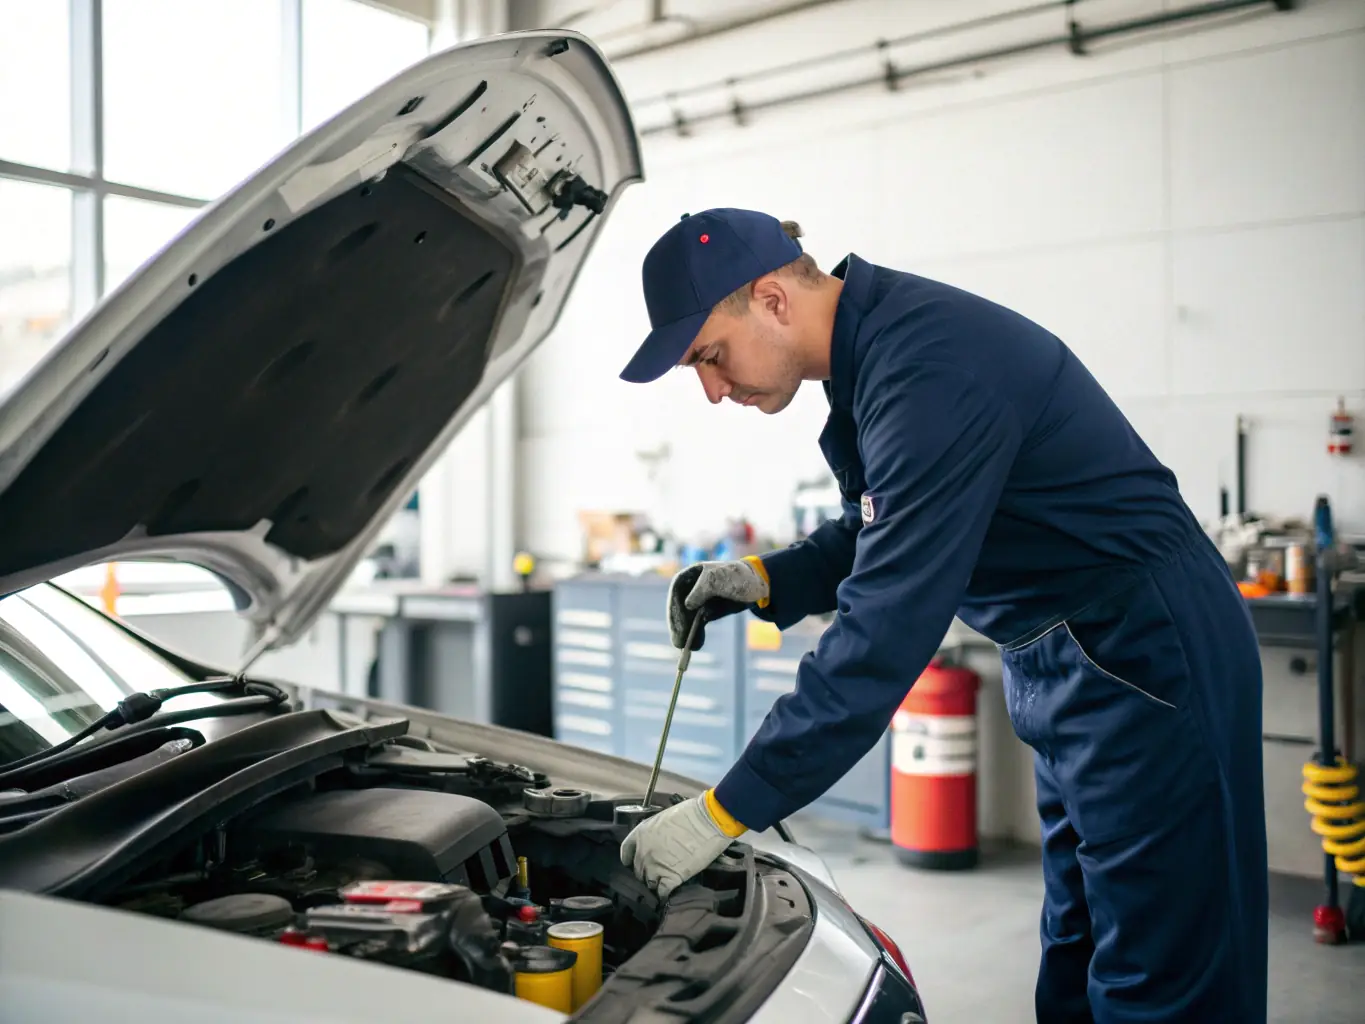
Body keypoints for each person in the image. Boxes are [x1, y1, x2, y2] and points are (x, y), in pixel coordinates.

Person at [615, 209, 1267, 1023]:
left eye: (709, 356)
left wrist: (727, 809)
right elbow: (889, 523)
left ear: (772, 298)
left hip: (1143, 651)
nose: (712, 390)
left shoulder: (926, 367)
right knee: (1082, 947)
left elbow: (881, 631)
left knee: (1160, 970)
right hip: (1068, 653)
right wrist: (765, 577)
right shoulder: (873, 356)